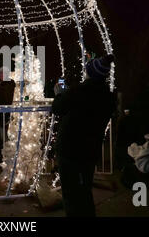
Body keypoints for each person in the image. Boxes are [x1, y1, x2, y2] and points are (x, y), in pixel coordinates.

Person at [52, 54, 115, 217]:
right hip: (90, 149)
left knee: (70, 192)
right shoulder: (108, 96)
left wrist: (59, 93)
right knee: (85, 189)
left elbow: (58, 108)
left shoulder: (79, 91)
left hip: (69, 148)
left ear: (90, 72)